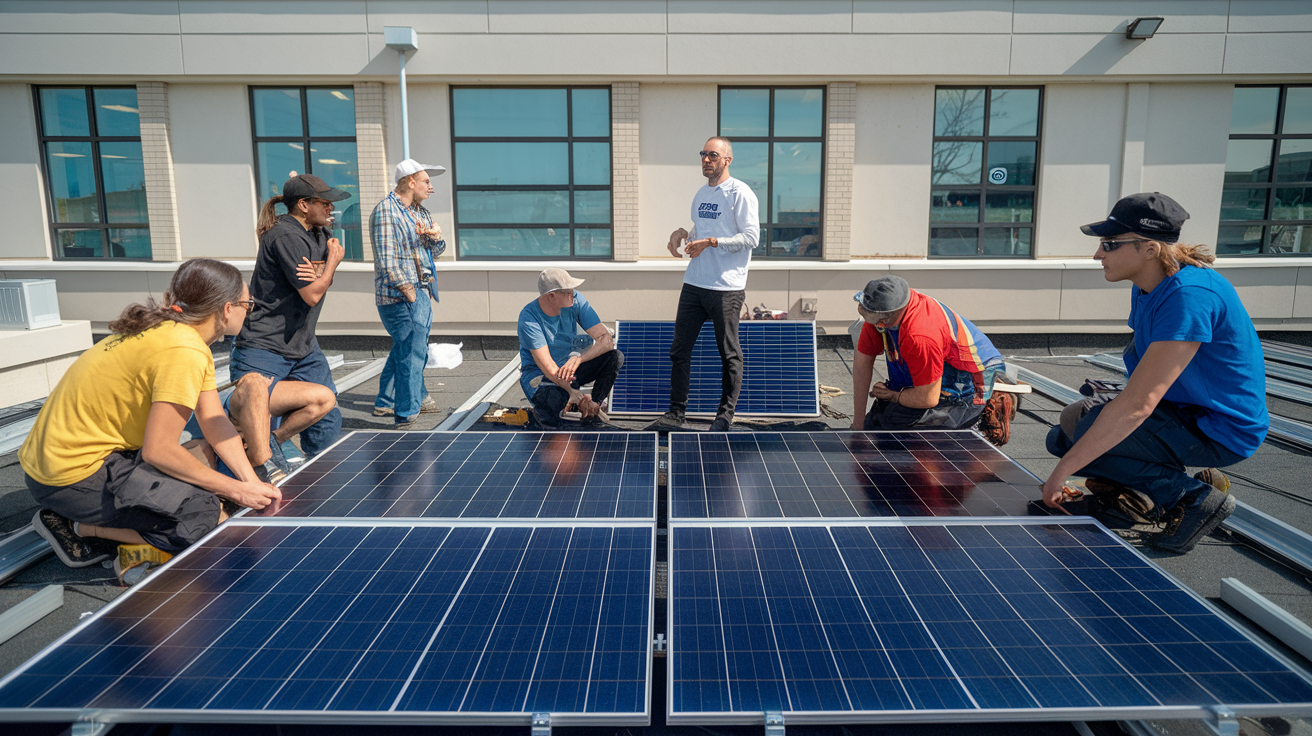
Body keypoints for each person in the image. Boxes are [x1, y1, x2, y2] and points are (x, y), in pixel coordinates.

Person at [1041, 192, 1267, 554]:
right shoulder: (1148, 286)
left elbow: (1138, 405)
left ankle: (1195, 498)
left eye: (1109, 244)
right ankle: (1133, 497)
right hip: (1183, 410)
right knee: (1063, 435)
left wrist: (1060, 474)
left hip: (1219, 428)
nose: (1098, 254)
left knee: (1082, 440)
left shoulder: (1188, 296)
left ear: (1149, 249)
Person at [20, 259, 281, 568]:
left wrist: (251, 482)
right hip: (70, 476)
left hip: (68, 458)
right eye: (246, 304)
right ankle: (78, 527)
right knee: (208, 520)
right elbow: (160, 450)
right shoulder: (184, 352)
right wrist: (237, 491)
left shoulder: (173, 334)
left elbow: (214, 421)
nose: (248, 311)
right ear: (227, 309)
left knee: (203, 454)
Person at [228, 174, 344, 469]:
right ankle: (263, 477)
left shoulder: (318, 234)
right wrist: (331, 264)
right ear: (303, 205)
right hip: (264, 347)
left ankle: (322, 473)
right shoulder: (286, 236)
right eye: (324, 202)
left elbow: (314, 284)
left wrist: (319, 273)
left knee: (327, 416)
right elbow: (312, 295)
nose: (331, 208)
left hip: (302, 346)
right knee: (255, 423)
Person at [650, 136, 759, 432]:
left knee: (729, 353)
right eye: (703, 154)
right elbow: (703, 229)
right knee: (679, 350)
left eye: (713, 155)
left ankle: (724, 417)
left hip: (726, 287)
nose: (706, 160)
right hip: (695, 283)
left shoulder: (740, 193)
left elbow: (751, 238)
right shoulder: (701, 194)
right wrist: (684, 232)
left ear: (727, 160)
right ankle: (675, 414)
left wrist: (712, 243)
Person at [851, 275, 1007, 433]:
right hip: (933, 359)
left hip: (969, 379)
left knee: (896, 423)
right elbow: (862, 363)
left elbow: (927, 398)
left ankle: (971, 419)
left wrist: (894, 396)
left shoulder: (920, 336)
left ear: (889, 315)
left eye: (872, 316)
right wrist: (858, 424)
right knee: (878, 419)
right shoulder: (881, 312)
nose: (869, 320)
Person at [370, 159, 448, 427]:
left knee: (410, 349)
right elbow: (387, 261)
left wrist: (435, 238)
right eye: (426, 181)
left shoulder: (420, 212)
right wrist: (410, 292)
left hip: (422, 291)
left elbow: (435, 252)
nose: (431, 186)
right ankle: (406, 412)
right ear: (410, 182)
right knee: (412, 353)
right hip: (400, 297)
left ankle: (387, 400)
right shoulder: (386, 212)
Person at [518, 268, 622, 428]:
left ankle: (594, 406)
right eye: (568, 292)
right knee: (554, 403)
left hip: (568, 371)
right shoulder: (529, 318)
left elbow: (605, 340)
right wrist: (576, 394)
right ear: (551, 296)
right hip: (542, 377)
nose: (573, 294)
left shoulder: (576, 301)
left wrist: (579, 358)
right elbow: (549, 368)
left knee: (614, 357)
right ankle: (562, 408)